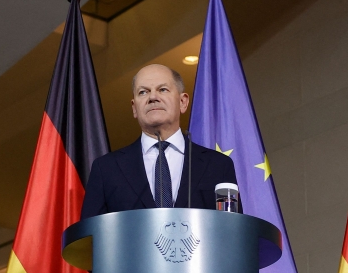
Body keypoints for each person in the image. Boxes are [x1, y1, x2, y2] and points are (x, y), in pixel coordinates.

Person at [80, 64, 237, 218]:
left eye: (162, 89)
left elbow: (234, 229)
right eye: (143, 92)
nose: (153, 97)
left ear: (182, 102)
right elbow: (90, 232)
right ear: (134, 108)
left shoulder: (218, 165)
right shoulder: (106, 169)